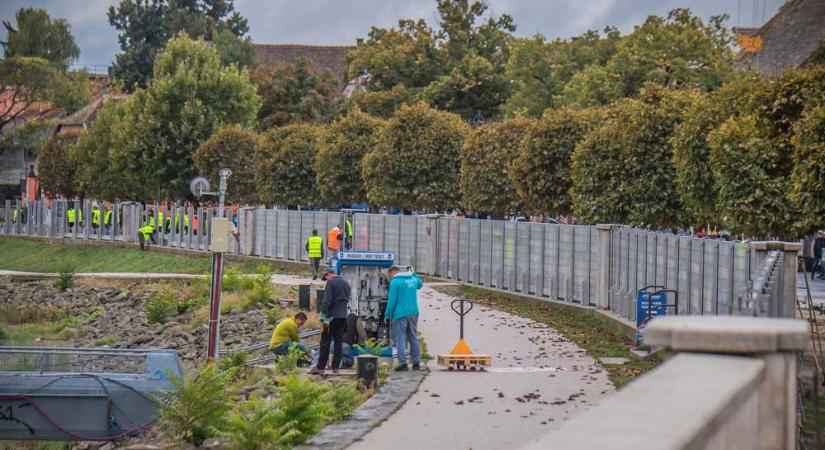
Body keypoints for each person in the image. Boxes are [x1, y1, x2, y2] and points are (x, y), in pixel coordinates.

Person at [310, 268, 350, 374]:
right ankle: (336, 367)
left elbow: (327, 300)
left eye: (325, 277)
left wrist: (323, 313)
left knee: (325, 341)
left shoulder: (330, 283)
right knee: (338, 342)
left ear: (328, 274)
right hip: (343, 316)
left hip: (331, 317)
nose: (326, 279)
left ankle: (320, 367)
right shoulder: (346, 283)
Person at [385, 264, 423, 371]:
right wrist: (414, 272)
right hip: (414, 312)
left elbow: (392, 301)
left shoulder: (395, 282)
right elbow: (420, 285)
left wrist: (387, 314)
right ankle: (416, 363)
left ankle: (403, 364)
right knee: (413, 337)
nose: (391, 277)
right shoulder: (412, 278)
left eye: (390, 275)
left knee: (400, 338)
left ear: (393, 272)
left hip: (400, 314)